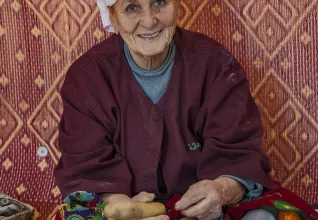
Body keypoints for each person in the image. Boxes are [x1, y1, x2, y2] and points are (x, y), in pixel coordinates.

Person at [54, 1, 318, 220]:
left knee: (275, 216)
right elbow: (85, 163)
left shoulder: (214, 62)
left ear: (177, 5)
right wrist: (120, 208)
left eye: (159, 2)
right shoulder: (87, 76)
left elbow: (238, 146)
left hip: (206, 204)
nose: (149, 21)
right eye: (132, 7)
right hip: (121, 203)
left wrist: (221, 189)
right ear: (112, 15)